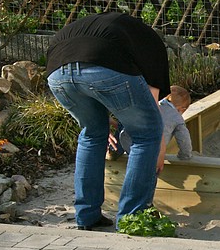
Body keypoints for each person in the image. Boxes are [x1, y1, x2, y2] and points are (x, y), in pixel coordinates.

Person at [46, 12, 170, 231]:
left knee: (92, 133)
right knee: (146, 135)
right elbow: (151, 107)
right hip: (103, 67)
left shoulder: (111, 28)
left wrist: (109, 116)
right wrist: (159, 147)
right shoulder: (153, 45)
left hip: (57, 71)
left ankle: (86, 216)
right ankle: (132, 218)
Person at [112, 85, 193, 163]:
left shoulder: (153, 104)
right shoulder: (178, 119)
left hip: (128, 140)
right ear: (182, 109)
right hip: (152, 151)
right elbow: (184, 139)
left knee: (123, 125)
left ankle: (113, 150)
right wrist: (185, 155)